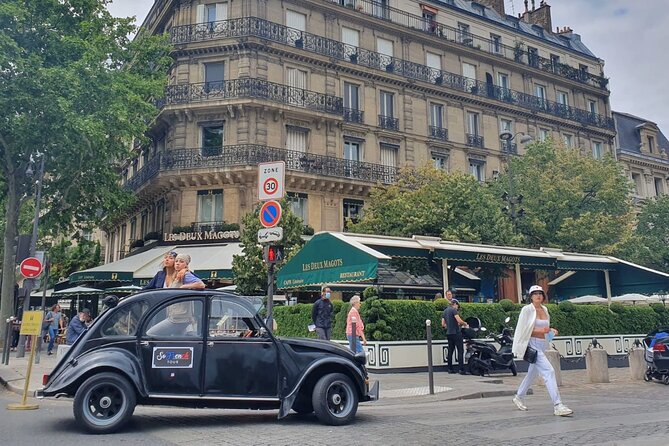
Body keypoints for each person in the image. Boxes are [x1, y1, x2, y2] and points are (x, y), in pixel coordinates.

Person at [512, 285, 573, 417]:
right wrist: (542, 331)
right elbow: (523, 330)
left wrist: (551, 331)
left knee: (532, 374)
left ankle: (519, 396)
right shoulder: (527, 310)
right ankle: (558, 405)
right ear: (530, 296)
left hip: (541, 345)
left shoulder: (545, 309)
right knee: (549, 371)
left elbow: (545, 329)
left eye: (540, 293)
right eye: (535, 293)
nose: (538, 295)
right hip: (532, 345)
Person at [442, 299, 468, 374]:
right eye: (457, 306)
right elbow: (459, 320)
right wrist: (465, 323)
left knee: (450, 351)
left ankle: (450, 369)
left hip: (449, 334)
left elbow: (443, 324)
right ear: (455, 304)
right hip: (456, 333)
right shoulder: (454, 310)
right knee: (460, 351)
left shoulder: (445, 311)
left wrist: (450, 325)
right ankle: (461, 369)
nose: (457, 308)